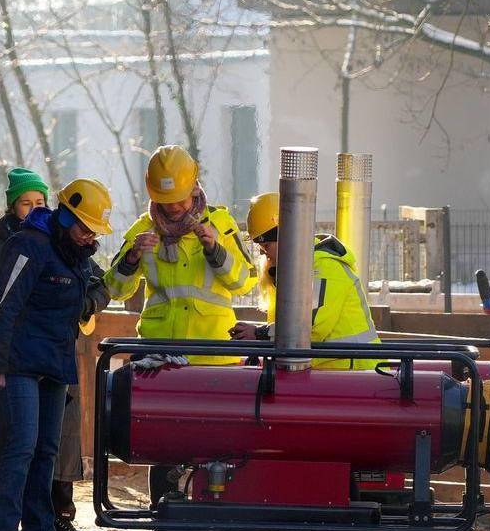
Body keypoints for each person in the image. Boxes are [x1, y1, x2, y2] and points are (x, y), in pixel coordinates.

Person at [0, 178, 114, 531]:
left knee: (46, 451)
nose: (90, 237)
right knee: (20, 446)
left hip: (55, 362)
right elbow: (2, 305)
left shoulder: (76, 254)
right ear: (66, 216)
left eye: (95, 231)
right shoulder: (29, 245)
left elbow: (94, 293)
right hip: (19, 363)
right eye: (86, 228)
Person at [104, 146, 258, 363]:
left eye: (179, 198)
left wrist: (215, 251)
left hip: (211, 355)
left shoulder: (220, 224)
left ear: (194, 188)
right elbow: (113, 290)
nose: (174, 206)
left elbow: (246, 283)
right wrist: (131, 259)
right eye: (166, 200)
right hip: (157, 355)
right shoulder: (142, 229)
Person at [229, 192, 383, 369]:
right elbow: (291, 327)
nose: (263, 252)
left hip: (358, 374)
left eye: (266, 245)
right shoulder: (299, 270)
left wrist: (259, 334)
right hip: (338, 372)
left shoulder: (325, 266)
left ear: (286, 237)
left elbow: (311, 327)